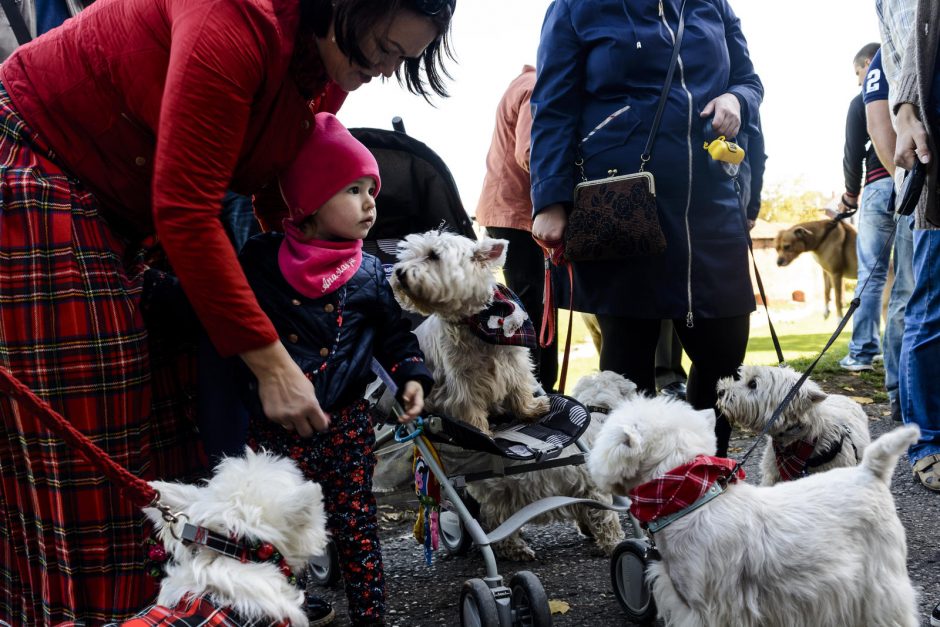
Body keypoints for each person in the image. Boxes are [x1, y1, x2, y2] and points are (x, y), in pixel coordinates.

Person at [0, 0, 455, 623]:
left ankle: (169, 606)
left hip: (127, 211)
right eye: (382, 50)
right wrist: (272, 363)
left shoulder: (321, 70)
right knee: (96, 439)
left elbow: (280, 193)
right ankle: (88, 614)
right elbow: (187, 208)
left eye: (401, 61)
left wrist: (301, 290)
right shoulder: (234, 18)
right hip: (42, 172)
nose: (382, 70)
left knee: (177, 422)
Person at [529, 0, 762, 456]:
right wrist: (551, 199)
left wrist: (737, 99)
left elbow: (749, 81)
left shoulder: (712, 4)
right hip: (623, 204)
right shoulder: (575, 7)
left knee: (724, 355)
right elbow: (553, 104)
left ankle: (704, 474)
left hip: (711, 203)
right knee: (628, 358)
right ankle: (630, 495)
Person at [239, 112, 434, 626]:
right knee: (278, 526)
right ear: (308, 201)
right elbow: (227, 313)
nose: (371, 202)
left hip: (346, 426)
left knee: (356, 525)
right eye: (352, 189)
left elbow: (394, 336)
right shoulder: (260, 262)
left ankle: (371, 615)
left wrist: (412, 375)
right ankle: (287, 610)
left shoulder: (369, 271)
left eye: (372, 189)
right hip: (277, 430)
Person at [475, 65, 558, 391]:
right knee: (532, 307)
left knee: (532, 304)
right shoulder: (537, 85)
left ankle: (538, 388)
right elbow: (531, 151)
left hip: (508, 212)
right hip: (517, 214)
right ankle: (539, 390)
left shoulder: (524, 81)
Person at [892, 0, 940, 494]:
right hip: (936, 166)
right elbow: (918, 42)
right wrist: (906, 111)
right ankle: (927, 442)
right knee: (929, 307)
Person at [838, 43, 897, 372]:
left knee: (872, 275)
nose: (857, 80)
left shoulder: (861, 99)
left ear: (866, 65)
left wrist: (850, 195)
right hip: (911, 184)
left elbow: (852, 153)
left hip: (877, 186)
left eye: (857, 72)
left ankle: (861, 352)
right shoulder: (907, 85)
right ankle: (899, 356)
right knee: (907, 277)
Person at [863, 47, 915, 422]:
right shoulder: (886, 56)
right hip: (912, 187)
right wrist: (908, 184)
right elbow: (879, 128)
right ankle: (901, 393)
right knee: (907, 292)